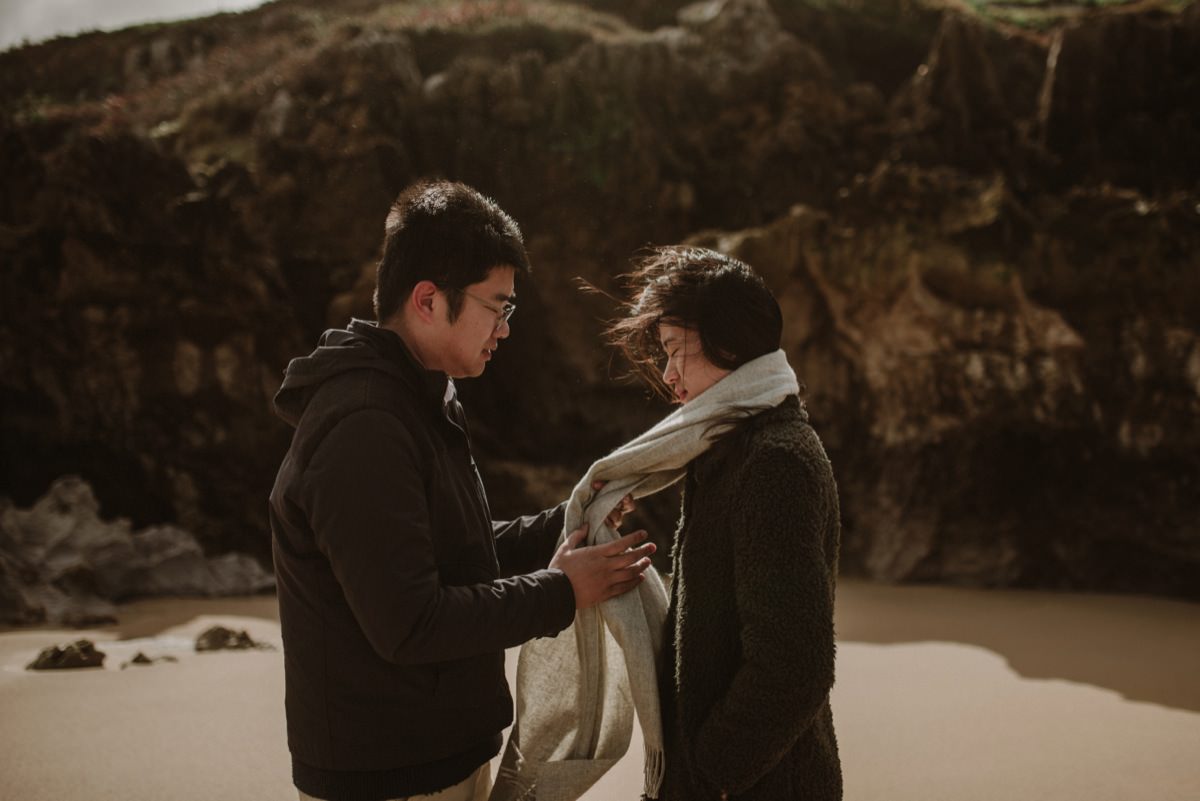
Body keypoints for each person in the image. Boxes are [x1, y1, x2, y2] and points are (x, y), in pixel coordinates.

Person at [268, 180, 654, 801]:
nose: (504, 328)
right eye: (496, 306)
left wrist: (570, 518)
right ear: (427, 299)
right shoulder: (365, 424)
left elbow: (455, 552)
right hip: (387, 774)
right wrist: (562, 591)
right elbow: (410, 623)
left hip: (438, 751)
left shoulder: (422, 395)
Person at [606, 246, 843, 801]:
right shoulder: (733, 445)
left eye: (673, 352)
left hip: (760, 784)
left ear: (730, 346)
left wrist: (709, 773)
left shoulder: (775, 460)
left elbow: (794, 668)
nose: (668, 377)